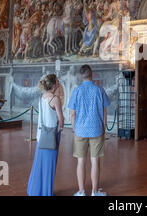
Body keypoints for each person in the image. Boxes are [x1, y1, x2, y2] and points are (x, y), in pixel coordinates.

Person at [68, 65, 110, 196]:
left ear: (81, 76)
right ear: (92, 74)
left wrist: (74, 127)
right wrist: (104, 125)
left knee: (81, 161)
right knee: (95, 161)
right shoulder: (99, 90)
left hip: (80, 129)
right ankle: (95, 191)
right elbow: (104, 110)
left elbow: (72, 113)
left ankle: (81, 192)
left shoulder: (77, 91)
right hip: (96, 129)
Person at [27, 74, 64, 196]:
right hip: (52, 135)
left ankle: (35, 190)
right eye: (57, 81)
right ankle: (46, 192)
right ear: (54, 85)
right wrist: (61, 126)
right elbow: (61, 119)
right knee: (49, 166)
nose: (59, 82)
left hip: (41, 134)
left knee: (39, 163)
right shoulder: (55, 99)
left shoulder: (42, 97)